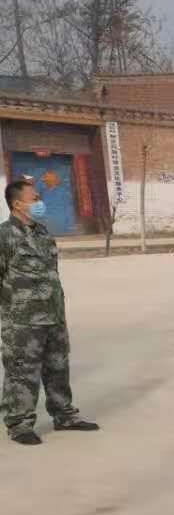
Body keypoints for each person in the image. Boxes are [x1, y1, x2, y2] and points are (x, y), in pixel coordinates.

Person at [0, 178, 99, 445]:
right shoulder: (4, 236)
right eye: (34, 199)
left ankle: (64, 415)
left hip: (53, 315)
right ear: (17, 204)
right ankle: (19, 424)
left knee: (58, 367)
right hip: (22, 322)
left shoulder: (43, 233)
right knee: (22, 372)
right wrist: (10, 313)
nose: (39, 202)